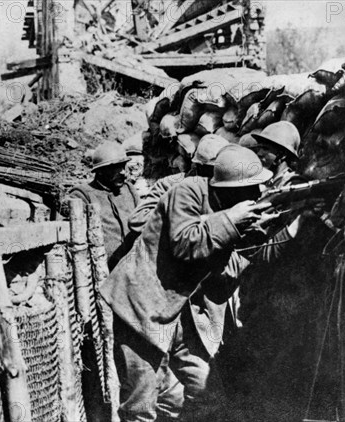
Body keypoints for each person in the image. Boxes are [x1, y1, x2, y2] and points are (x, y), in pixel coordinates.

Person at [101, 145, 303, 422]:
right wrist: (232, 220)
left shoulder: (227, 209)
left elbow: (226, 271)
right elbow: (186, 243)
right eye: (251, 188)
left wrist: (262, 232)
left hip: (177, 311)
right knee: (141, 404)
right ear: (231, 189)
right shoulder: (189, 191)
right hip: (141, 305)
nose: (257, 195)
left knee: (207, 395)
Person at [128, 134, 230, 236]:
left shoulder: (227, 187)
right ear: (197, 166)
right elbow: (139, 220)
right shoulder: (170, 184)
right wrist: (189, 217)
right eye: (213, 170)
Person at [69, 141, 139, 270]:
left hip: (133, 267)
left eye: (123, 166)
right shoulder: (82, 195)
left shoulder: (129, 190)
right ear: (100, 171)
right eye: (116, 168)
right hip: (103, 270)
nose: (123, 172)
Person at [251, 121, 305, 189]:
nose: (259, 153)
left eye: (265, 149)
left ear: (283, 154)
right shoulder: (269, 180)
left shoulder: (291, 184)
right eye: (259, 148)